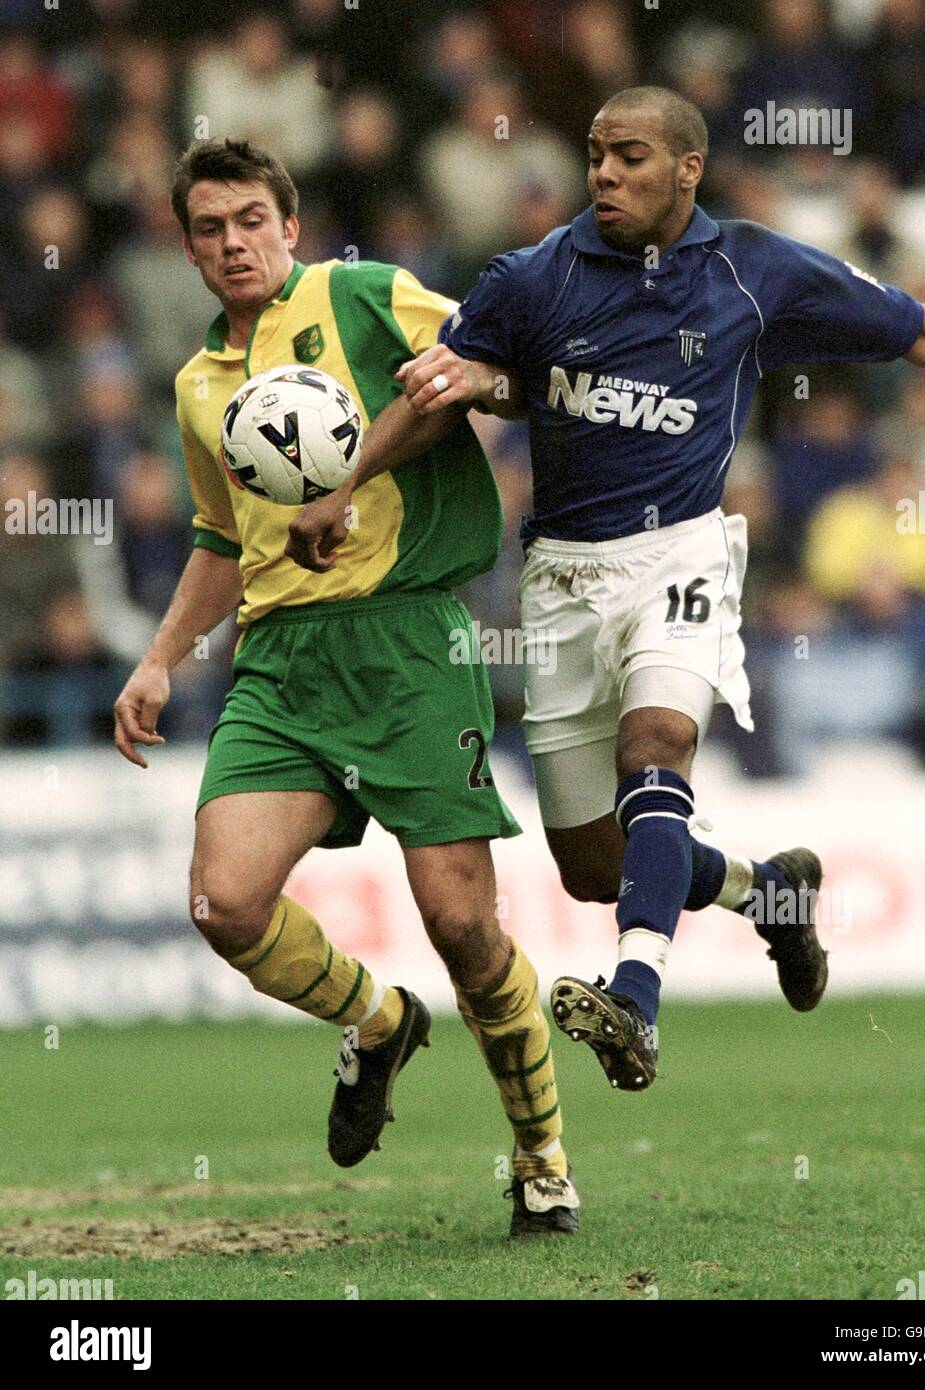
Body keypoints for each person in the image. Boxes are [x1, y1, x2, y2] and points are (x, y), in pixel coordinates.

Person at [370, 86, 925, 1093]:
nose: (605, 175)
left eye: (629, 157)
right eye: (594, 157)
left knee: (655, 749)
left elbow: (915, 327)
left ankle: (636, 997)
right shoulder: (532, 278)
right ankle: (770, 894)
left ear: (686, 168)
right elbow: (446, 385)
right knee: (592, 865)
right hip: (562, 580)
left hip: (683, 554)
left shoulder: (754, 268)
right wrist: (348, 482)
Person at [112, 138, 579, 1237]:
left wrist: (469, 381)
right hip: (278, 663)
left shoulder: (363, 296)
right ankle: (377, 1020)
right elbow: (220, 537)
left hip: (412, 643)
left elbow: (506, 370)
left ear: (291, 226)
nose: (232, 243)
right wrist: (159, 655)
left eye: (249, 221)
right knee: (223, 902)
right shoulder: (197, 387)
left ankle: (541, 1154)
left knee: (463, 926)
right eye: (209, 229)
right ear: (188, 249)